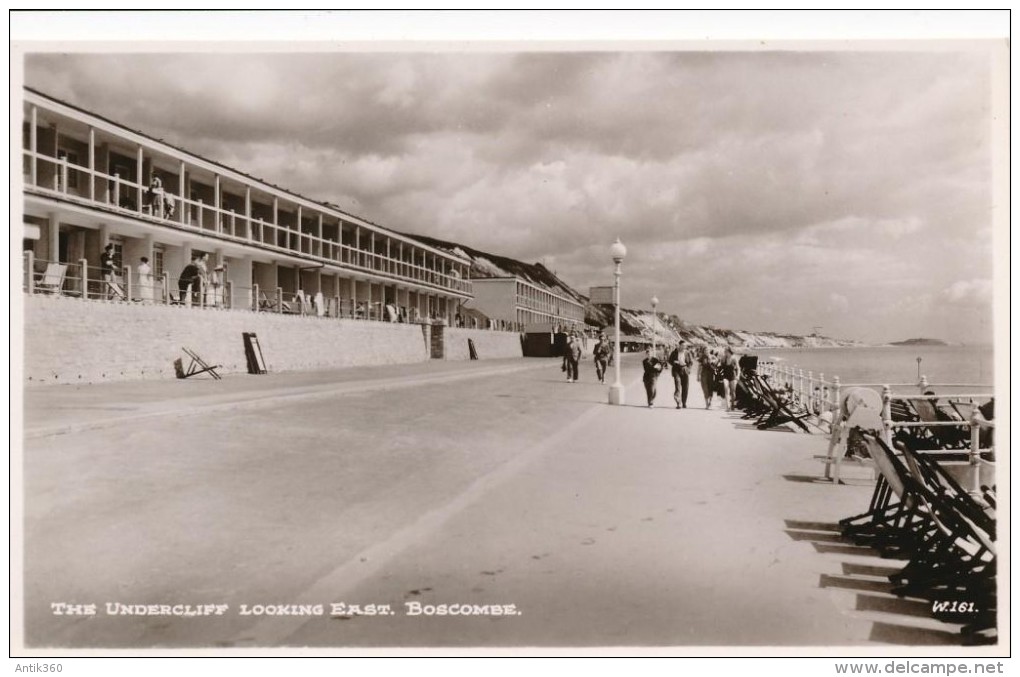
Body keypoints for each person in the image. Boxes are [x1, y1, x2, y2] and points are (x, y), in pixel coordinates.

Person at [667, 340, 694, 409]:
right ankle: (678, 402)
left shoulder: (687, 353)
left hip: (685, 369)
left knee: (685, 387)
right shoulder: (674, 352)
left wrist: (689, 369)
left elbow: (691, 362)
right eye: (682, 346)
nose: (684, 347)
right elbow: (669, 360)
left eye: (685, 346)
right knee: (678, 386)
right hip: (676, 370)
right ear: (679, 345)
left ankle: (684, 402)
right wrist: (674, 362)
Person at [721, 346, 742, 411]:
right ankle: (728, 407)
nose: (725, 352)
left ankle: (732, 404)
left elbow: (738, 368)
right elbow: (720, 367)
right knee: (726, 390)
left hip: (733, 376)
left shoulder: (734, 359)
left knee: (733, 392)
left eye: (726, 351)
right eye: (725, 351)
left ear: (730, 352)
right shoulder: (723, 358)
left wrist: (738, 376)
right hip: (725, 376)